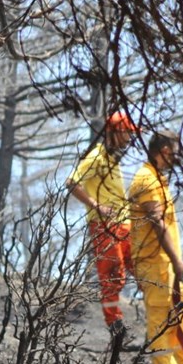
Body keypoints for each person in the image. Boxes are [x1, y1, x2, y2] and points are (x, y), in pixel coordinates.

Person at [66, 110, 140, 346]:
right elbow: (72, 182)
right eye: (126, 133)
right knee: (112, 275)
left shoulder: (112, 160)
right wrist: (96, 206)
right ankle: (115, 328)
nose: (129, 139)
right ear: (115, 132)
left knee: (138, 269)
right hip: (105, 226)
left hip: (125, 225)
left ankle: (158, 324)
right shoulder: (96, 156)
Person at [128, 129, 183, 364]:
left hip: (166, 264)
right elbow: (156, 222)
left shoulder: (158, 179)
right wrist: (177, 261)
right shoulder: (146, 179)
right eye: (175, 151)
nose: (178, 157)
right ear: (164, 150)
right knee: (161, 316)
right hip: (154, 263)